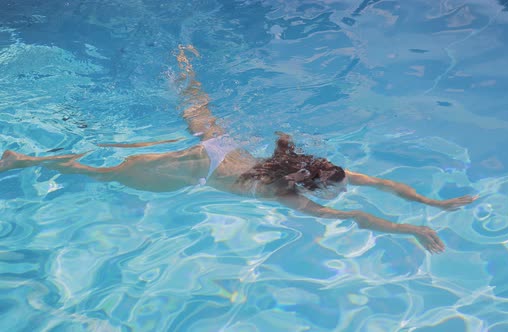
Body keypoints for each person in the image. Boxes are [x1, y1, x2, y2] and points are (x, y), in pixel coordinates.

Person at [0, 45, 477, 253]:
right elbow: (355, 218)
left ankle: (181, 59)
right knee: (102, 171)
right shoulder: (286, 197)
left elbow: (384, 184)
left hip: (216, 144)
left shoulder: (299, 165)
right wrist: (409, 226)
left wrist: (431, 204)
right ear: (318, 182)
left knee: (193, 97)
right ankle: (20, 159)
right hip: (189, 173)